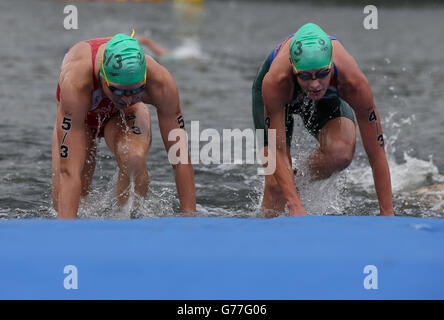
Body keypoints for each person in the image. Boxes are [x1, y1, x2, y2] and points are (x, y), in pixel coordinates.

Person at [252, 23, 394, 217]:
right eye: (305, 77)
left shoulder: (353, 83)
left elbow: (376, 153)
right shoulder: (276, 82)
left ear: (331, 65)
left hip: (329, 97)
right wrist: (295, 206)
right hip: (278, 97)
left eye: (322, 74)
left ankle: (294, 178)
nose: (315, 84)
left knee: (340, 154)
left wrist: (388, 214)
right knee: (275, 187)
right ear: (294, 70)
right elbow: (277, 148)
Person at [52, 32, 196, 219]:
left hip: (123, 117)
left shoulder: (160, 83)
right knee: (66, 204)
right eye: (118, 91)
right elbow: (68, 171)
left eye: (137, 91)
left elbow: (180, 158)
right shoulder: (76, 83)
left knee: (134, 157)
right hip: (82, 118)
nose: (127, 99)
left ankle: (128, 220)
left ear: (145, 79)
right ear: (103, 78)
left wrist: (191, 220)